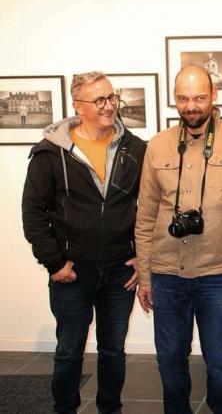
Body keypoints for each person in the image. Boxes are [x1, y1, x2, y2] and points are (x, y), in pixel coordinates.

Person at [135, 65, 222, 414]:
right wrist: (145, 276)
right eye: (182, 98)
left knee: (221, 366)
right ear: (174, 99)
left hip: (219, 274)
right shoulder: (158, 145)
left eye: (198, 97)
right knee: (170, 364)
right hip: (166, 274)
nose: (190, 106)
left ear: (213, 96)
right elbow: (145, 215)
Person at [21, 71, 146, 414]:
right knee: (69, 351)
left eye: (112, 98)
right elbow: (33, 213)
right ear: (78, 106)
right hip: (72, 273)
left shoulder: (135, 149)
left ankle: (110, 408)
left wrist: (141, 256)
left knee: (113, 352)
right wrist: (54, 262)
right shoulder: (51, 153)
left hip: (121, 271)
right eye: (100, 100)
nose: (109, 106)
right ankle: (65, 409)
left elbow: (150, 207)